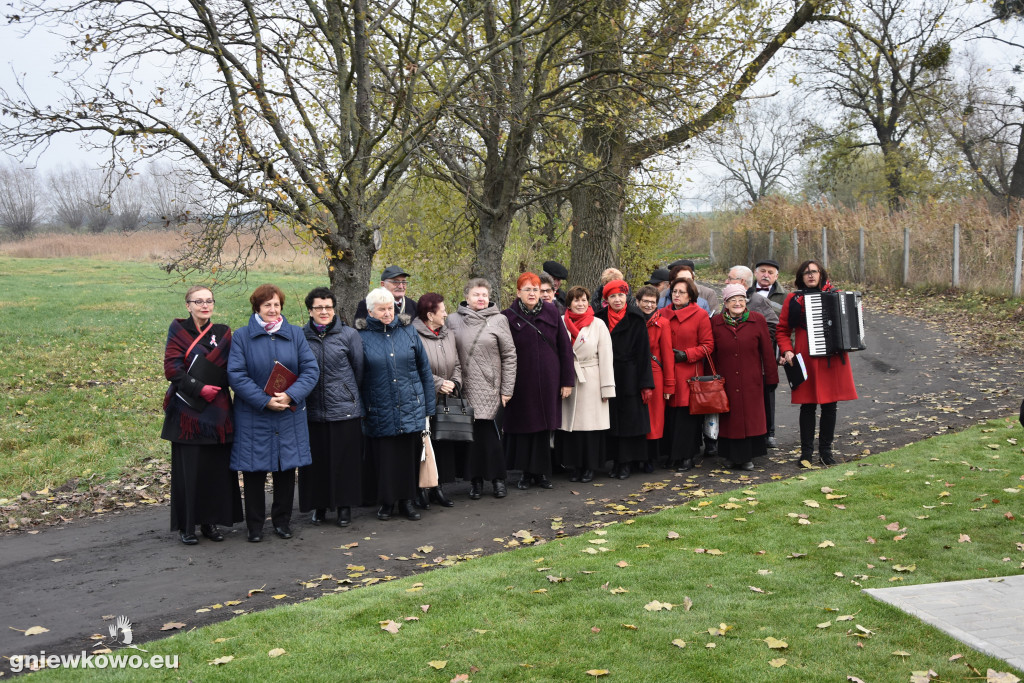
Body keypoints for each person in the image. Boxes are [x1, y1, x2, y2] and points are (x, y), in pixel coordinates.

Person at [229, 284, 320, 542]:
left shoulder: (294, 334)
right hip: (254, 415)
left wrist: (291, 395)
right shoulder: (242, 336)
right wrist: (263, 400)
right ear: (257, 307)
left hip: (288, 412)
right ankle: (255, 526)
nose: (272, 309)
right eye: (267, 305)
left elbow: (310, 370)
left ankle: (282, 522)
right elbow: (236, 375)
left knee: (285, 469)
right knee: (254, 471)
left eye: (276, 304)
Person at [161, 285, 243, 545]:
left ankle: (210, 523)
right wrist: (199, 388)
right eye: (198, 301)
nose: (205, 306)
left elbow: (233, 366)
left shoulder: (223, 333)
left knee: (215, 470)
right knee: (189, 471)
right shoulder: (178, 330)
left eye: (209, 301)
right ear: (188, 305)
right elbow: (172, 369)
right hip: (187, 411)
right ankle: (188, 526)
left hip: (218, 410)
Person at [356, 287, 436, 520]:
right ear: (370, 311)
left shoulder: (409, 332)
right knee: (386, 459)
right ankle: (387, 502)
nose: (387, 313)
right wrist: (362, 409)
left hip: (411, 405)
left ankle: (408, 502)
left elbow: (424, 369)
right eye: (381, 309)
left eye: (390, 308)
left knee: (409, 456)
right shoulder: (360, 338)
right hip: (378, 407)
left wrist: (428, 407)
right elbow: (357, 377)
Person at [776, 260, 858, 466]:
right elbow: (783, 330)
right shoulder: (793, 299)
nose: (810, 275)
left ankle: (826, 451)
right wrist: (787, 350)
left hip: (833, 358)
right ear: (800, 277)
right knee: (808, 405)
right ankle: (806, 453)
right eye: (806, 273)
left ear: (821, 274)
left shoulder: (837, 295)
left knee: (830, 405)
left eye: (814, 271)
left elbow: (852, 321)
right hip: (806, 358)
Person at [298, 287, 364, 528]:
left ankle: (344, 508)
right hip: (312, 410)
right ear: (310, 310)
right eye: (319, 307)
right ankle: (320, 507)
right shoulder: (300, 336)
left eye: (328, 307)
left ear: (334, 309)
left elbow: (358, 370)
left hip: (344, 409)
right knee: (317, 462)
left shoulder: (348, 335)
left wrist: (345, 393)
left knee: (344, 462)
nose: (324, 311)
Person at [502, 272, 575, 489]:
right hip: (522, 382)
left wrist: (567, 381)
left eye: (536, 289)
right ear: (518, 293)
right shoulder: (508, 316)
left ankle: (542, 473)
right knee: (526, 427)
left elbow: (565, 348)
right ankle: (526, 473)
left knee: (544, 428)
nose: (532, 293)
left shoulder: (552, 311)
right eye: (528, 289)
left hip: (549, 381)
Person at [447, 278, 517, 499]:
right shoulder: (452, 320)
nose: (481, 299)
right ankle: (475, 482)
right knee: (471, 439)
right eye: (476, 295)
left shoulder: (499, 320)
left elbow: (509, 356)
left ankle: (498, 480)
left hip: (491, 388)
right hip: (464, 387)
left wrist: (507, 389)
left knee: (492, 438)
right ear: (466, 296)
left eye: (484, 295)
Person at [710, 284, 779, 471]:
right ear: (726, 303)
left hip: (752, 380)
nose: (738, 303)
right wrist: (713, 380)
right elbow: (713, 353)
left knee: (750, 417)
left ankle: (748, 457)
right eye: (733, 300)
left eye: (741, 299)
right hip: (727, 380)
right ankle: (730, 457)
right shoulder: (716, 322)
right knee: (729, 418)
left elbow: (767, 351)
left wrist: (771, 378)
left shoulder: (757, 320)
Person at [596, 280, 654, 479]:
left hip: (630, 375)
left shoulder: (636, 319)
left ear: (626, 296)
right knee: (611, 420)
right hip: (607, 374)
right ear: (606, 299)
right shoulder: (599, 318)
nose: (617, 300)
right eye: (612, 296)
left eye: (620, 295)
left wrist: (646, 383)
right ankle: (615, 462)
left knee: (630, 420)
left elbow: (644, 353)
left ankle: (627, 462)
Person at [559, 286, 615, 483]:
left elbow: (606, 357)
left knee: (590, 428)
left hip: (592, 379)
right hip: (569, 380)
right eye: (576, 300)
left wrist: (607, 387)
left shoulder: (598, 324)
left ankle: (590, 467)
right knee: (571, 429)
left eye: (583, 300)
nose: (580, 304)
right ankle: (574, 466)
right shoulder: (561, 323)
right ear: (569, 303)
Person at [412, 292, 461, 509]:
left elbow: (457, 363)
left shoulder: (448, 334)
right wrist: (438, 382)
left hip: (447, 399)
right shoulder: (413, 334)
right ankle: (422, 489)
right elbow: (413, 368)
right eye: (443, 311)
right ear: (430, 315)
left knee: (442, 446)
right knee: (424, 446)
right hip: (423, 399)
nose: (446, 314)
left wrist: (454, 383)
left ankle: (438, 488)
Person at [726, 265, 780, 448]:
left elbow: (773, 325)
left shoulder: (757, 301)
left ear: (741, 282)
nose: (726, 281)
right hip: (735, 362)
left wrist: (753, 339)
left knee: (763, 397)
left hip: (755, 361)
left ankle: (768, 433)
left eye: (730, 278)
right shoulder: (729, 298)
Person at [664, 277, 713, 471]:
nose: (676, 295)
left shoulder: (700, 315)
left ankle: (687, 455)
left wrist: (687, 354)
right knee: (670, 415)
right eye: (674, 291)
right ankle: (670, 454)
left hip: (689, 372)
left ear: (690, 295)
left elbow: (708, 346)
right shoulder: (663, 313)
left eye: (681, 292)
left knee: (686, 416)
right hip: (667, 371)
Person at [636, 285, 675, 464]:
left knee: (655, 417)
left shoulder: (663, 323)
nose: (649, 305)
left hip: (655, 374)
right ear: (638, 302)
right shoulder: (632, 320)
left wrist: (669, 384)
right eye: (645, 301)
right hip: (634, 373)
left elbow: (667, 355)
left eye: (653, 302)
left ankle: (650, 458)